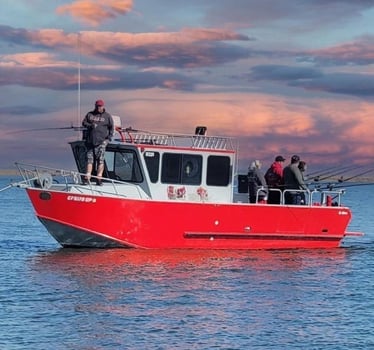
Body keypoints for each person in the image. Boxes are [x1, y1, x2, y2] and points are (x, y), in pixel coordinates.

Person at [82, 99, 114, 185]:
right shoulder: (90, 114)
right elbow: (84, 123)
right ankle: (87, 178)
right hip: (90, 142)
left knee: (100, 160)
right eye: (97, 106)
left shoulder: (107, 116)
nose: (98, 107)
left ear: (103, 106)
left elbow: (111, 128)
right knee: (89, 160)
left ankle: (99, 178)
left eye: (100, 106)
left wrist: (108, 139)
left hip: (101, 142)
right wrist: (90, 125)